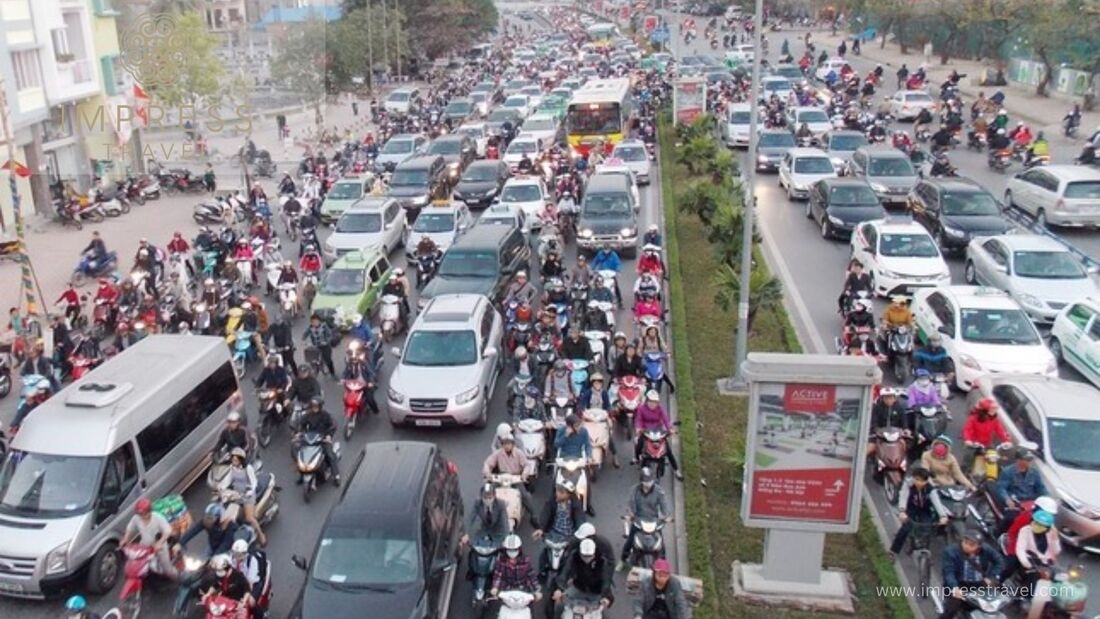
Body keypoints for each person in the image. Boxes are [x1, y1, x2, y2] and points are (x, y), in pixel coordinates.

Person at [939, 529, 1003, 619]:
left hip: (980, 583)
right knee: (951, 609)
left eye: (972, 545)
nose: (967, 546)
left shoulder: (986, 550)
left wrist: (992, 577)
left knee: (994, 604)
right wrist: (954, 587)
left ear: (979, 546)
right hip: (959, 584)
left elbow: (999, 560)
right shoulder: (950, 551)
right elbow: (949, 572)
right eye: (965, 542)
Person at [483, 432, 539, 526]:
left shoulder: (519, 453)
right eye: (504, 443)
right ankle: (488, 513)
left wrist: (524, 475)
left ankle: (533, 515)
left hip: (515, 477)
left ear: (513, 444)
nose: (507, 445)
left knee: (525, 495)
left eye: (509, 443)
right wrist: (487, 473)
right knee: (488, 493)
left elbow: (526, 465)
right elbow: (487, 463)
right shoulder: (498, 453)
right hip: (501, 477)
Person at [889, 467, 948, 557]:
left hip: (924, 509)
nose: (919, 483)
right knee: (904, 530)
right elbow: (903, 497)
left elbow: (936, 502)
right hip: (911, 508)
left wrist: (943, 516)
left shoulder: (930, 488)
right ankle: (893, 552)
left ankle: (925, 547)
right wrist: (902, 511)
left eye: (922, 481)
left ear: (926, 481)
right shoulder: (908, 484)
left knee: (928, 527)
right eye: (916, 479)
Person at [619, 467, 670, 569]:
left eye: (650, 481)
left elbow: (664, 507)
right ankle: (623, 560)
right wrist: (630, 515)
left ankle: (663, 565)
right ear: (641, 481)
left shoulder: (659, 491)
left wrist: (666, 517)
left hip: (654, 522)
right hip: (638, 520)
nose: (648, 484)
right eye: (646, 481)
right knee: (629, 541)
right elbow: (630, 505)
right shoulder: (634, 490)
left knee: (661, 546)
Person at [533, 484, 586, 577]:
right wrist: (540, 529)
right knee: (544, 551)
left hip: (569, 535)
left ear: (569, 495)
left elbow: (580, 519)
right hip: (553, 532)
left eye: (561, 492)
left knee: (573, 555)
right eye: (557, 491)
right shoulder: (551, 502)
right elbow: (545, 515)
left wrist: (581, 533)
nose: (558, 494)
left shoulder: (576, 505)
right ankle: (542, 571)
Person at [217, 447, 267, 546]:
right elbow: (228, 479)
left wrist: (250, 491)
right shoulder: (232, 468)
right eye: (233, 459)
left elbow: (254, 482)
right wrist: (221, 486)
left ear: (241, 460)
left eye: (236, 459)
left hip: (247, 495)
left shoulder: (248, 468)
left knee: (249, 518)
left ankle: (261, 535)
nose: (234, 461)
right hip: (237, 494)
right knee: (227, 515)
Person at [121, 497, 179, 580]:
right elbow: (130, 528)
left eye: (143, 514)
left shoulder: (157, 518)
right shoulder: (136, 518)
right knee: (136, 566)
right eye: (139, 514)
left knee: (168, 571)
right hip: (144, 547)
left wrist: (160, 543)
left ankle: (178, 578)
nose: (141, 516)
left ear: (149, 512)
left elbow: (167, 531)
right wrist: (125, 539)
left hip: (159, 547)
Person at [554, 538, 614, 612]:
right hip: (578, 588)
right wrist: (559, 589)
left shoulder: (603, 562)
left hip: (596, 593)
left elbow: (607, 580)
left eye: (589, 556)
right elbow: (565, 571)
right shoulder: (574, 556)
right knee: (558, 605)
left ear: (594, 553)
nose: (587, 558)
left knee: (599, 612)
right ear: (580, 553)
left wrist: (607, 597)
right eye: (584, 556)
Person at [995, 449, 1047, 532]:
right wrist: (1007, 499)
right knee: (1009, 519)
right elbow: (1001, 488)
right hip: (1016, 503)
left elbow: (1041, 488)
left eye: (1030, 460)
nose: (1029, 462)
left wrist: (1047, 500)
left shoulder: (1034, 473)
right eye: (1027, 460)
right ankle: (999, 535)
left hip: (1031, 504)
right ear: (1019, 460)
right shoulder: (1008, 472)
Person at [634, 391, 682, 480]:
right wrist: (638, 428)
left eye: (655, 402)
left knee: (668, 451)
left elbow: (666, 420)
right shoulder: (641, 409)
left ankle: (676, 470)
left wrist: (670, 429)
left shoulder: (660, 409)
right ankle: (637, 458)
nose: (653, 404)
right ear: (647, 400)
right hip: (646, 431)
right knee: (639, 446)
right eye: (651, 401)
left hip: (658, 431)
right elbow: (638, 420)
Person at [462, 484, 511, 572]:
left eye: (490, 497)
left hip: (498, 531)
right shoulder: (477, 503)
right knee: (473, 551)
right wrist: (466, 534)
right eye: (485, 497)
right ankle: (472, 570)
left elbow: (505, 522)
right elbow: (470, 519)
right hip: (484, 530)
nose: (487, 499)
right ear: (481, 496)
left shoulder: (501, 504)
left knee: (504, 553)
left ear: (494, 496)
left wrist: (505, 538)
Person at [294, 396, 340, 485]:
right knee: (298, 452)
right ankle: (301, 473)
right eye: (313, 406)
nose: (315, 408)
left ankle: (336, 476)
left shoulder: (326, 415)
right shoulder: (307, 415)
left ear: (320, 406)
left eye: (317, 406)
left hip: (322, 439)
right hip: (310, 439)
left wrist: (329, 436)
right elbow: (301, 425)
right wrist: (299, 433)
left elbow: (332, 426)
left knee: (330, 455)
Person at [961, 397, 1010, 477]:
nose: (994, 411)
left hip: (987, 443)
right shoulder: (973, 418)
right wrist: (968, 440)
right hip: (974, 443)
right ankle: (962, 476)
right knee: (967, 460)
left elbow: (1000, 430)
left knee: (993, 458)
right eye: (992, 409)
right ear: (985, 410)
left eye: (995, 409)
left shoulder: (995, 419)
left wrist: (1006, 441)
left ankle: (991, 478)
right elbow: (967, 430)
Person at [490, 534, 542, 601]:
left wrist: (536, 590)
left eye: (515, 550)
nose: (512, 552)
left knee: (530, 608)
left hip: (523, 590)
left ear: (519, 549)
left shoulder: (526, 560)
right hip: (506, 590)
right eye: (509, 550)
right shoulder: (501, 560)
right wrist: (495, 587)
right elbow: (498, 575)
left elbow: (531, 575)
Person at [868, 388, 910, 458]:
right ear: (882, 399)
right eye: (886, 398)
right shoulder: (877, 408)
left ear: (895, 398)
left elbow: (904, 421)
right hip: (880, 435)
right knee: (870, 447)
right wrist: (876, 430)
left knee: (903, 445)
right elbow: (874, 421)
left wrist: (905, 429)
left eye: (891, 397)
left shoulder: (899, 408)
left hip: (896, 435)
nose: (888, 400)